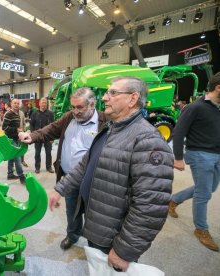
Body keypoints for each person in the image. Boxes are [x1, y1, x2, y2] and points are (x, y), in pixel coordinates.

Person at [49, 76, 173, 272]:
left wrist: (125, 251)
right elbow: (85, 165)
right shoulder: (111, 129)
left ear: (133, 99)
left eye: (113, 93)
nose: (105, 98)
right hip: (99, 226)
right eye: (107, 92)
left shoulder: (148, 140)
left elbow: (150, 205)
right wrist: (61, 189)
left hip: (114, 237)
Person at [19, 88, 107, 250]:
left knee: (93, 214)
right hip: (68, 178)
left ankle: (94, 244)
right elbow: (51, 129)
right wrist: (32, 136)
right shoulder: (69, 118)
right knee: (71, 210)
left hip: (93, 181)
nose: (75, 111)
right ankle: (73, 235)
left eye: (79, 107)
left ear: (92, 104)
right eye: (72, 107)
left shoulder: (105, 122)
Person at [168, 72, 220, 251]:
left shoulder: (218, 107)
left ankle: (173, 200)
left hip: (217, 154)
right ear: (218, 87)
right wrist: (178, 158)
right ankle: (201, 229)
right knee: (204, 194)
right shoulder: (195, 107)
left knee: (208, 188)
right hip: (199, 154)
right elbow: (178, 132)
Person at [2, 98, 25, 184]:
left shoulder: (17, 114)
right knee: (17, 158)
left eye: (18, 103)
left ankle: (10, 174)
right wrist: (16, 130)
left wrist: (19, 133)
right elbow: (4, 127)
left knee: (11, 157)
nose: (16, 104)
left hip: (16, 138)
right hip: (10, 139)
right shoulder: (8, 114)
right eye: (14, 103)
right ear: (11, 104)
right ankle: (21, 176)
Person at [29, 98, 55, 174]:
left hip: (48, 136)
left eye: (45, 103)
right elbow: (31, 124)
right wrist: (33, 135)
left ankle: (49, 167)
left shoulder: (50, 113)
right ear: (39, 104)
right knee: (37, 153)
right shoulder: (34, 113)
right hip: (38, 136)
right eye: (43, 103)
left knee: (48, 153)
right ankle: (37, 167)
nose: (44, 104)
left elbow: (53, 125)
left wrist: (52, 137)